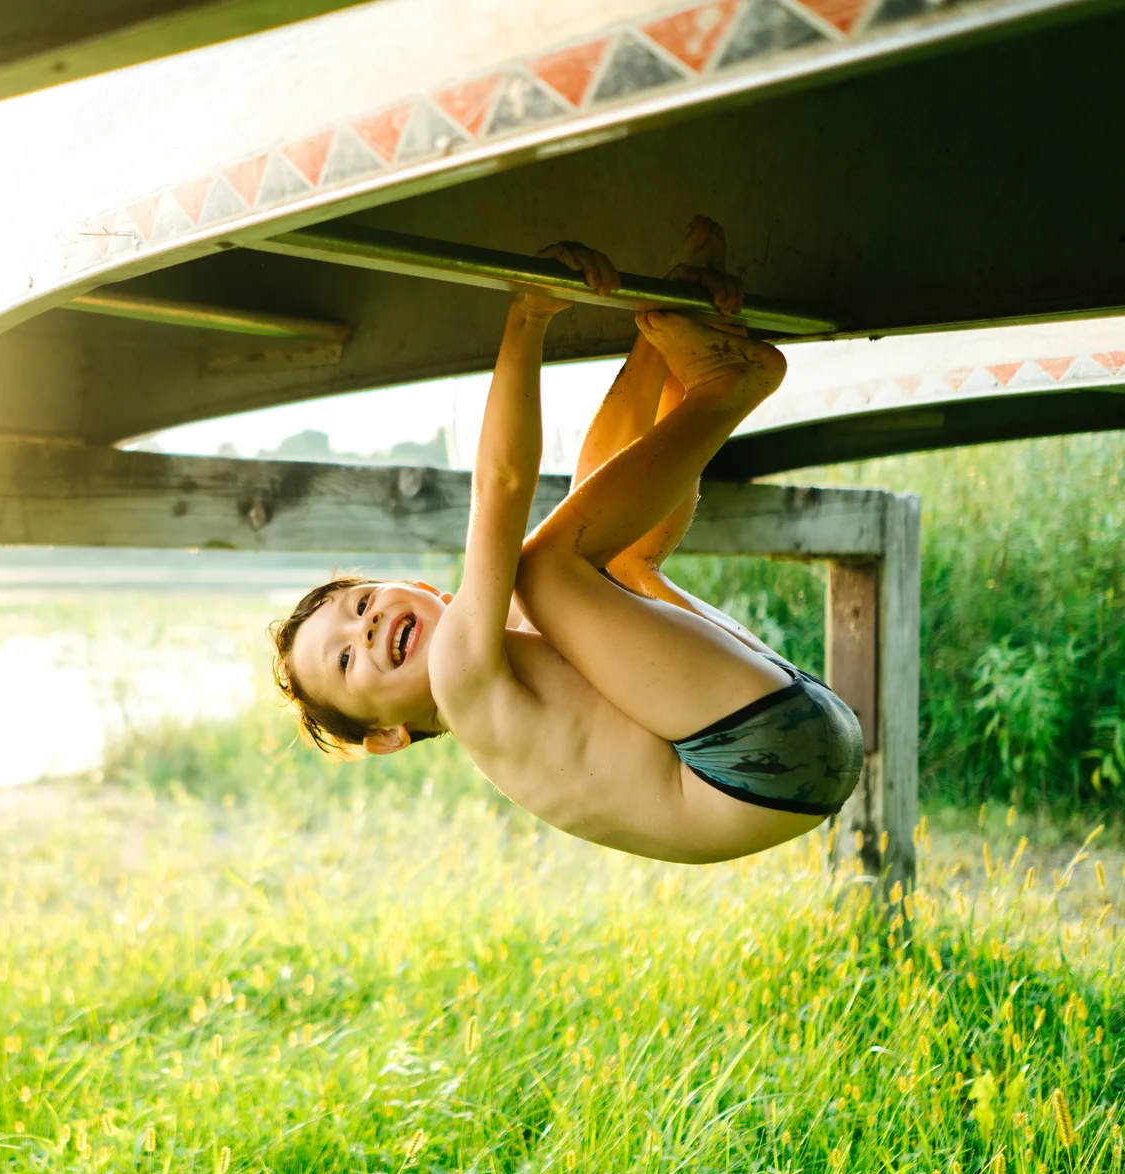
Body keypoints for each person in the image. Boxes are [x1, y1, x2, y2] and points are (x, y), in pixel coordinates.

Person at [270, 218, 861, 864]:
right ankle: (724, 387)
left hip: (794, 746)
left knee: (611, 563)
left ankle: (665, 337)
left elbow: (596, 503)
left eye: (359, 606)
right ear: (387, 736)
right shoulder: (460, 681)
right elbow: (502, 484)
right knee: (544, 569)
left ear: (418, 589)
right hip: (748, 762)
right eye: (347, 661)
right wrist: (529, 314)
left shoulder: (508, 659)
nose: (367, 629)